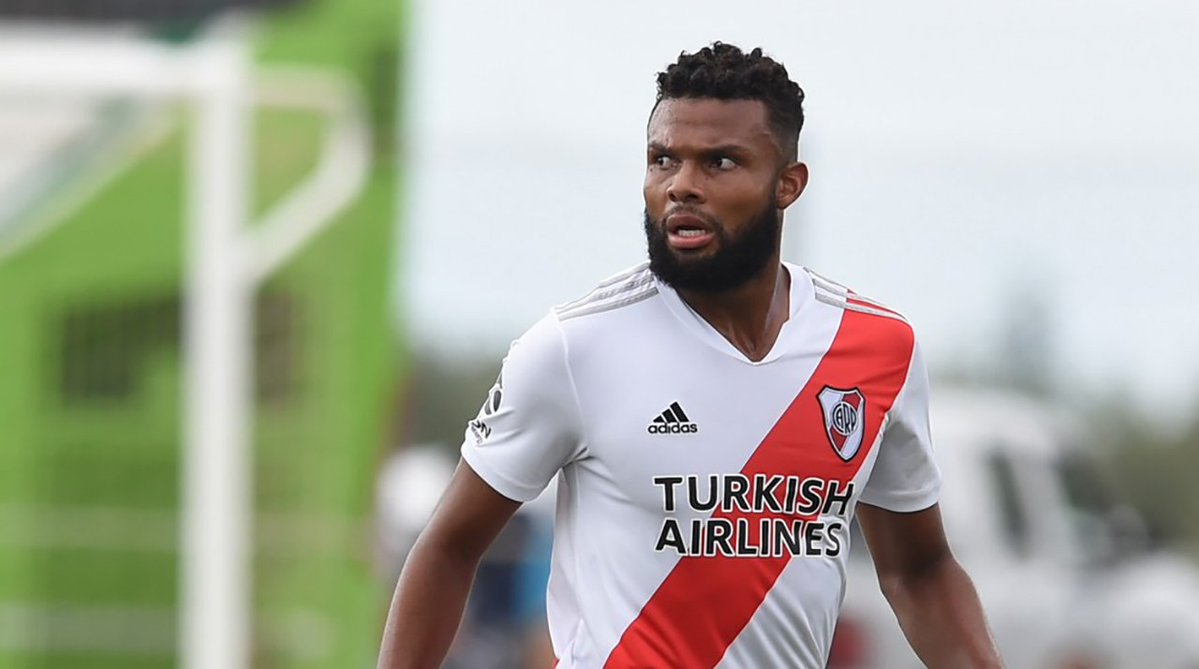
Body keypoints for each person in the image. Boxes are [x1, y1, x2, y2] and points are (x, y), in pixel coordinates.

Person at [378, 42, 1003, 669]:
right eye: (663, 160)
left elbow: (920, 571)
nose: (681, 186)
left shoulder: (877, 351)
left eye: (720, 163)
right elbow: (449, 547)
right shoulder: (574, 348)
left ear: (788, 184)